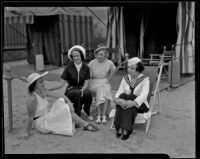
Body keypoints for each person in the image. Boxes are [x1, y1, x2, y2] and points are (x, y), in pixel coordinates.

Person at [24, 71, 98, 139]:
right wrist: (27, 132)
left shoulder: (43, 91)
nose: (43, 83)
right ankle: (85, 124)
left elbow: (61, 96)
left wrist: (69, 102)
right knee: (65, 110)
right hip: (42, 123)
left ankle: (81, 123)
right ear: (34, 86)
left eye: (42, 81)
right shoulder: (32, 98)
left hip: (48, 116)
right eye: (40, 82)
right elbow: (31, 117)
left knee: (62, 102)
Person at [49, 45, 93, 121]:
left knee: (88, 93)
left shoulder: (86, 67)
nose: (75, 58)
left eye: (77, 56)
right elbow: (61, 84)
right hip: (71, 88)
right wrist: (50, 88)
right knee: (77, 93)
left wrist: (83, 89)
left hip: (82, 87)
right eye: (73, 56)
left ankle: (87, 111)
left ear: (81, 56)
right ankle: (77, 115)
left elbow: (86, 83)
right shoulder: (68, 68)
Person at [113, 57, 149, 140]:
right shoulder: (125, 78)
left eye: (132, 68)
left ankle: (124, 128)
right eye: (128, 67)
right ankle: (123, 127)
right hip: (127, 104)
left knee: (131, 96)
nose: (129, 70)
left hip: (140, 105)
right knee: (122, 96)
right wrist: (117, 100)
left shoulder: (144, 80)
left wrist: (132, 103)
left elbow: (144, 95)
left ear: (138, 69)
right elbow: (119, 91)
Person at [88, 46, 116, 124]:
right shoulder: (91, 63)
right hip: (95, 81)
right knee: (101, 89)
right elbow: (89, 76)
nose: (99, 56)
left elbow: (114, 70)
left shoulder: (109, 62)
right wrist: (89, 85)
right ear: (96, 55)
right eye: (98, 55)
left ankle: (102, 115)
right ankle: (99, 115)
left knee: (106, 89)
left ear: (105, 55)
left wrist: (108, 79)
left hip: (104, 81)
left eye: (101, 55)